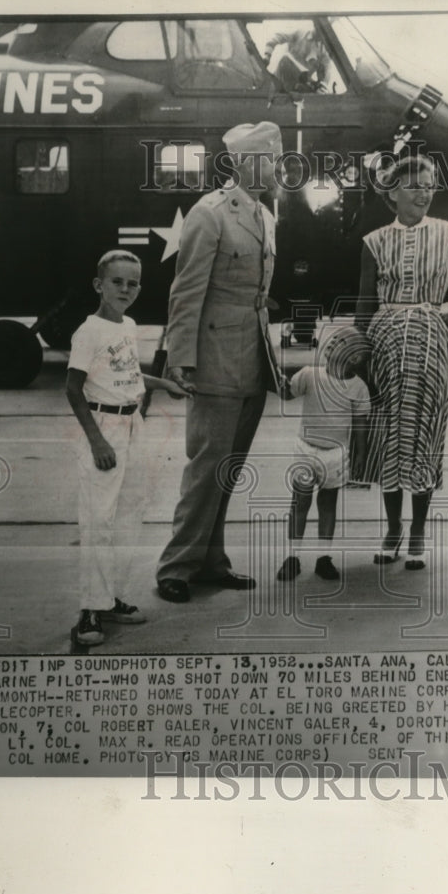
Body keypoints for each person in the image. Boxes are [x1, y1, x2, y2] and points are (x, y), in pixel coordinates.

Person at [156, 121, 283, 604]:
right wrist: (180, 359)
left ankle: (212, 560)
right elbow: (185, 292)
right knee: (206, 467)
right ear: (247, 162)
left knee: (228, 468)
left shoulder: (264, 216)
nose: (277, 167)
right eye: (270, 159)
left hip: (251, 357)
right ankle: (177, 565)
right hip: (213, 358)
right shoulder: (209, 214)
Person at [355, 154, 448, 569]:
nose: (424, 192)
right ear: (392, 193)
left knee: (424, 432)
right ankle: (393, 528)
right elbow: (364, 303)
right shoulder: (374, 241)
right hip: (385, 340)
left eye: (429, 185)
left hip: (430, 337)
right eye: (414, 185)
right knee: (388, 433)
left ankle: (417, 530)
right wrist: (360, 354)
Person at [66, 250, 188, 647]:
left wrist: (163, 384)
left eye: (133, 283)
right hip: (103, 428)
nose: (125, 289)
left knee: (128, 518)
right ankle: (88, 611)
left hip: (132, 424)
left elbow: (129, 374)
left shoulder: (130, 325)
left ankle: (112, 598)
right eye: (117, 282)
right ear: (99, 285)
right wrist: (97, 440)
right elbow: (72, 388)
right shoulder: (89, 331)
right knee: (98, 522)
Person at [277, 326, 371, 582]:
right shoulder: (309, 375)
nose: (332, 342)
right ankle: (292, 557)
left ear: (354, 358)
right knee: (300, 504)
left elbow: (361, 424)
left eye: (341, 341)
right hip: (306, 449)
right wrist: (274, 378)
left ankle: (323, 557)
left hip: (337, 455)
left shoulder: (358, 388)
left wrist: (360, 454)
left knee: (328, 506)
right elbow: (287, 393)